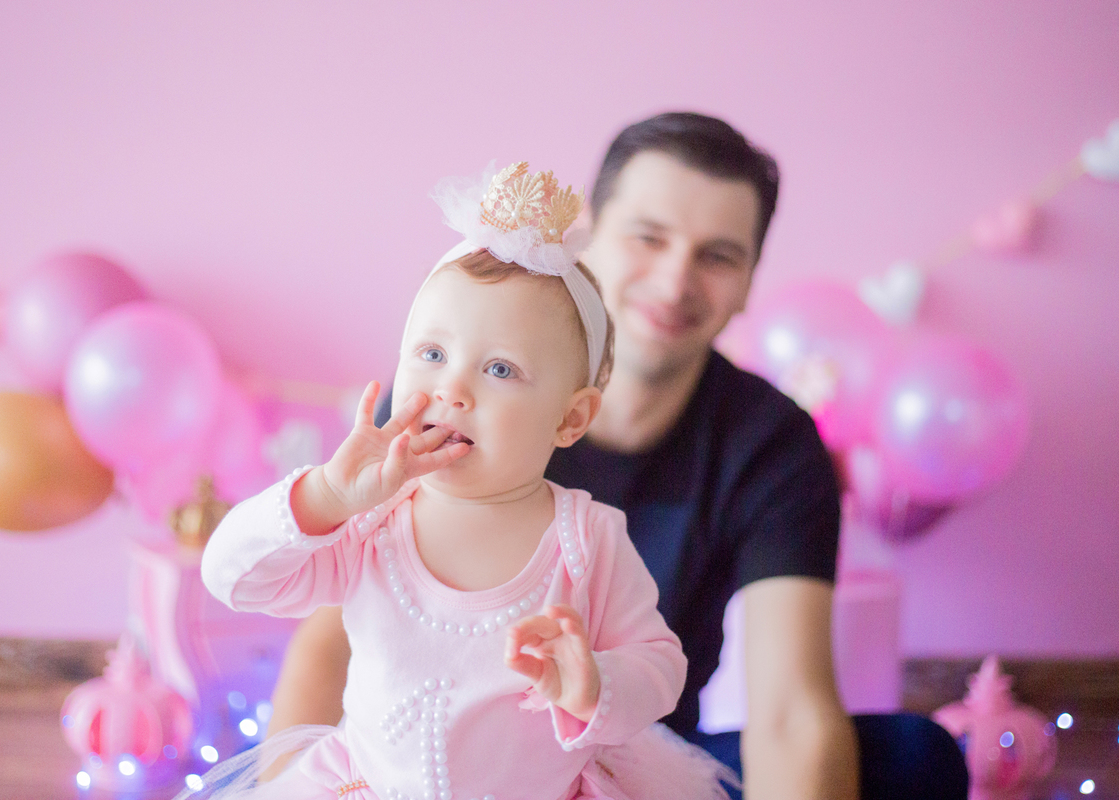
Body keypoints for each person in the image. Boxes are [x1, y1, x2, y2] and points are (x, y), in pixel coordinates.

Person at [268, 114, 969, 800]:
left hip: (628, 762)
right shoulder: (453, 398)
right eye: (648, 237)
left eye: (717, 255)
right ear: (587, 237)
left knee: (913, 756)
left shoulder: (773, 443)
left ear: (751, 280)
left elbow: (792, 708)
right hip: (419, 765)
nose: (675, 281)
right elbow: (328, 648)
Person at [192, 161, 735, 800]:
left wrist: (592, 683)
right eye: (431, 354)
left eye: (500, 369)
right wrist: (325, 497)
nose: (451, 388)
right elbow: (232, 576)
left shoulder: (587, 539)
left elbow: (661, 667)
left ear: (570, 417)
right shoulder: (373, 517)